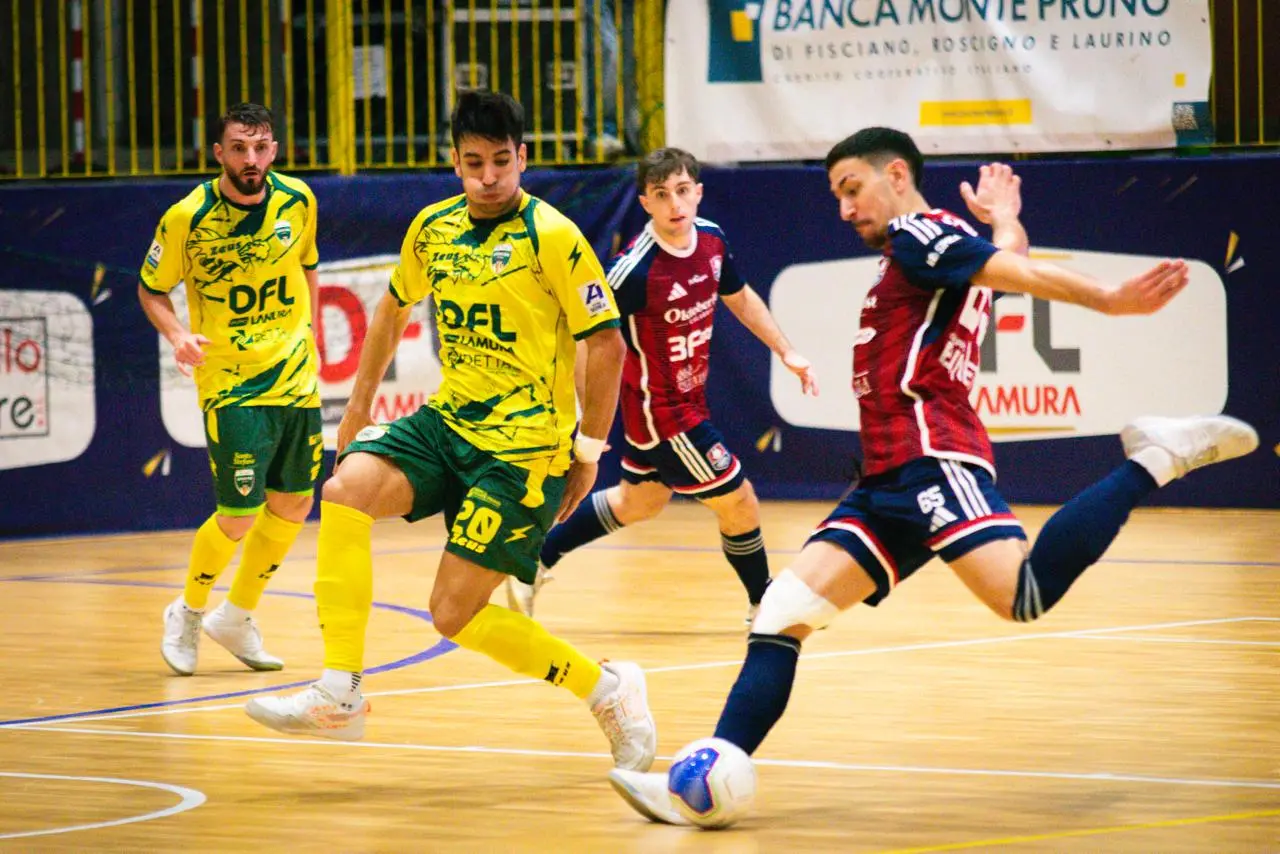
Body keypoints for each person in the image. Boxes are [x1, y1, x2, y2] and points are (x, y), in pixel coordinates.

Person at [605, 126, 1260, 822]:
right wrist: (1007, 221)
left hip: (929, 456)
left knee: (1024, 595)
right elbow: (1010, 261)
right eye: (836, 196)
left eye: (851, 189)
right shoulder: (944, 244)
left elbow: (1026, 275)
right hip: (885, 476)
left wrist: (1108, 300)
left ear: (895, 175)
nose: (845, 209)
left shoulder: (919, 235)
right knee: (780, 614)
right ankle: (699, 785)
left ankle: (1154, 458)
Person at [243, 90, 656, 772]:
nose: (488, 176)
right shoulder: (433, 227)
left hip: (523, 448)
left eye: (501, 161)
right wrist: (354, 413)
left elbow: (606, 344)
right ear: (454, 163)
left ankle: (608, 689)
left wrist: (585, 452)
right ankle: (340, 692)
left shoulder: (552, 235)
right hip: (447, 421)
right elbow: (391, 309)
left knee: (452, 614)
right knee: (345, 488)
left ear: (522, 157)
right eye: (473, 162)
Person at [505, 147, 818, 625]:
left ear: (698, 192)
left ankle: (531, 562)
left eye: (683, 190)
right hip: (665, 414)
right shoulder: (633, 271)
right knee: (740, 500)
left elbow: (740, 296)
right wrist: (584, 416)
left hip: (686, 403)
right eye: (661, 194)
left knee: (639, 501)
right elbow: (587, 339)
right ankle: (764, 604)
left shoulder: (711, 240)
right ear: (645, 202)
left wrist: (785, 349)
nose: (675, 203)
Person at [138, 102, 322, 677]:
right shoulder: (187, 216)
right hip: (232, 383)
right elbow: (150, 288)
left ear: (275, 149)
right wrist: (176, 335)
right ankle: (188, 611)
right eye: (239, 148)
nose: (251, 159)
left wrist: (310, 333)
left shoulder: (300, 200)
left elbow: (308, 265)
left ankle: (236, 616)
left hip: (295, 376)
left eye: (261, 146)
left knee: (295, 503)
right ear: (218, 153)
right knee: (239, 514)